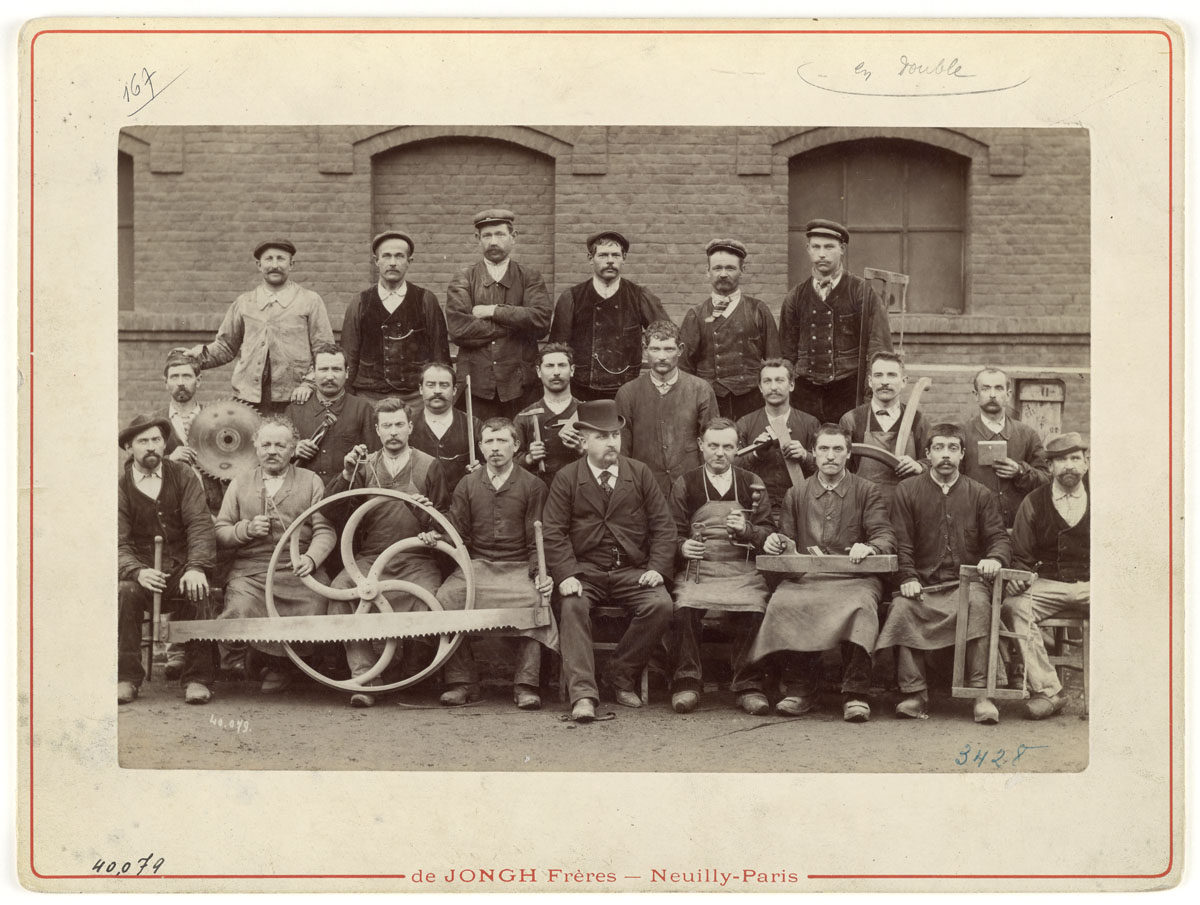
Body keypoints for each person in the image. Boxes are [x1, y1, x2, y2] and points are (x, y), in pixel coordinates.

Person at [541, 400, 677, 722]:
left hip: (632, 571)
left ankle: (619, 673)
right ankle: (584, 695)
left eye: (615, 435)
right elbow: (554, 533)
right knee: (572, 605)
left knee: (661, 605)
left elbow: (664, 527)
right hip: (585, 572)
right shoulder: (567, 478)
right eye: (602, 436)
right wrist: (566, 574)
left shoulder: (639, 474)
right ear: (584, 441)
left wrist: (657, 568)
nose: (612, 442)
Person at [751, 424, 896, 722]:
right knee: (785, 602)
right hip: (808, 578)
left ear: (848, 453)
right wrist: (779, 543)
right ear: (813, 454)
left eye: (838, 449)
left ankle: (855, 691)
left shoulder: (867, 491)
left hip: (854, 578)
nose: (830, 456)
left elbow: (884, 536)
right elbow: (787, 540)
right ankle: (802, 688)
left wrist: (869, 548)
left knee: (861, 606)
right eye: (824, 449)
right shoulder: (797, 493)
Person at [875, 423, 1012, 723]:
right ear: (927, 454)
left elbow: (999, 538)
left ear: (963, 454)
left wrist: (994, 558)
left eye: (952, 448)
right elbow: (902, 542)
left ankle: (980, 694)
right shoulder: (908, 491)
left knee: (979, 605)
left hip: (968, 583)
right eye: (939, 448)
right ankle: (915, 693)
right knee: (901, 607)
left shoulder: (981, 494)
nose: (945, 455)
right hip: (923, 584)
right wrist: (908, 577)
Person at [419, 419, 558, 709]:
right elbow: (457, 530)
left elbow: (538, 539)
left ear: (516, 446)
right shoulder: (468, 484)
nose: (495, 449)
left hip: (518, 567)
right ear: (480, 447)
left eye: (502, 441)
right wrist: (435, 530)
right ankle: (462, 682)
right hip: (477, 566)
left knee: (536, 599)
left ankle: (526, 684)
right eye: (489, 442)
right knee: (446, 598)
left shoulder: (533, 485)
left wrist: (539, 574)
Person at [323, 398, 450, 707]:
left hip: (416, 557)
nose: (393, 432)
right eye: (386, 426)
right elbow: (332, 511)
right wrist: (346, 472)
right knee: (339, 595)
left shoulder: (430, 465)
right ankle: (366, 678)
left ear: (410, 427)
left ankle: (406, 675)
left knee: (430, 602)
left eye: (399, 425)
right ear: (377, 431)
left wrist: (431, 523)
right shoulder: (364, 466)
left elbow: (446, 521)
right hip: (369, 558)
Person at [214, 416, 337, 694]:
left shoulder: (311, 481)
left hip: (297, 569)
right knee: (240, 610)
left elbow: (325, 531)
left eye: (280, 445)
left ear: (293, 449)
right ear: (256, 448)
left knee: (317, 605)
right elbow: (220, 531)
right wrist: (245, 530)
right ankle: (244, 661)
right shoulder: (239, 483)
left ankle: (282, 667)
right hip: (252, 571)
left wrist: (312, 559)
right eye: (266, 444)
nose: (272, 451)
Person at [667, 418, 774, 715]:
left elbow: (769, 532)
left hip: (741, 569)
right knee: (684, 604)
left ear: (738, 448)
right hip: (699, 570)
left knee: (755, 604)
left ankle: (748, 684)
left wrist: (749, 530)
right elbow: (670, 531)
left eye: (728, 446)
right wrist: (682, 546)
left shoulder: (751, 482)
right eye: (713, 445)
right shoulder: (685, 483)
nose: (719, 453)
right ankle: (687, 682)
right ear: (701, 446)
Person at [117, 415, 218, 705]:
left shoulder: (183, 475)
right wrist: (136, 571)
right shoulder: (121, 487)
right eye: (143, 441)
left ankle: (198, 678)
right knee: (125, 592)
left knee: (200, 589)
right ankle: (127, 678)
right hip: (141, 572)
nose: (151, 447)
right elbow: (118, 541)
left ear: (164, 443)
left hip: (180, 569)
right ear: (129, 448)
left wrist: (197, 566)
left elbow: (200, 524)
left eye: (156, 440)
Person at [187, 239, 333, 415]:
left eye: (281, 259)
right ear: (259, 265)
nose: (274, 265)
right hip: (249, 398)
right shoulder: (244, 302)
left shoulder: (310, 301)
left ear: (291, 264)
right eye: (268, 259)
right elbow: (225, 346)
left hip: (294, 397)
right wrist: (196, 357)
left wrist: (309, 384)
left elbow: (324, 350)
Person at [1002, 432, 1090, 720]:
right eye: (1060, 460)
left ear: (1086, 463)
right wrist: (1019, 576)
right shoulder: (1033, 501)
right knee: (1014, 607)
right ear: (1049, 467)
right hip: (1049, 585)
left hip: (1094, 586)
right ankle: (1050, 691)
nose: (1069, 466)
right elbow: (1022, 554)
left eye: (1075, 458)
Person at [778, 219, 893, 424]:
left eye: (829, 247)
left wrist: (869, 396)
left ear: (842, 249)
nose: (822, 254)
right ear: (808, 249)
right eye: (816, 247)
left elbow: (879, 349)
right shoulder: (795, 296)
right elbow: (786, 355)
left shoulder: (861, 292)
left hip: (848, 392)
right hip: (805, 395)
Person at [446, 209, 551, 420]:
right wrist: (516, 323)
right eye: (487, 235)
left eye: (500, 234)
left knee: (523, 444)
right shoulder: (463, 279)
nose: (494, 241)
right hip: (476, 386)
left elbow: (540, 321)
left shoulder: (530, 277)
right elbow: (459, 329)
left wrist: (493, 311)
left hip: (521, 386)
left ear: (513, 237)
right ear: (478, 239)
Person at [549, 230, 669, 401]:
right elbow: (557, 349)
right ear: (591, 259)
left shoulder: (639, 296)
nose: (610, 261)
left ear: (624, 258)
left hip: (627, 391)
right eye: (603, 255)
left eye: (616, 255)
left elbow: (666, 336)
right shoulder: (572, 297)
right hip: (581, 391)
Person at [341, 230, 450, 408]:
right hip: (369, 396)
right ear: (376, 261)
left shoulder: (426, 300)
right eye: (386, 256)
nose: (392, 263)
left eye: (399, 256)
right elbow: (348, 356)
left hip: (416, 398)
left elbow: (439, 355)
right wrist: (348, 400)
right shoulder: (360, 302)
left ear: (409, 262)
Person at [679, 238, 781, 422]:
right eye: (717, 268)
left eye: (730, 268)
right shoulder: (696, 314)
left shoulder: (758, 310)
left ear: (742, 271)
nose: (723, 274)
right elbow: (684, 368)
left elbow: (775, 362)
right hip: (710, 401)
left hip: (752, 401)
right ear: (707, 272)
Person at [614, 320, 719, 494]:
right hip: (645, 489)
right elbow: (622, 449)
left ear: (680, 349)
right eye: (655, 349)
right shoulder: (627, 393)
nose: (662, 356)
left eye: (669, 349)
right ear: (645, 349)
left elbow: (712, 442)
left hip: (691, 487)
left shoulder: (701, 390)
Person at [839, 351, 928, 514]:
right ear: (870, 381)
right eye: (878, 375)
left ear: (904, 381)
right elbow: (840, 470)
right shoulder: (852, 419)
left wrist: (920, 466)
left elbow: (932, 463)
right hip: (861, 509)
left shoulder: (918, 420)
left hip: (907, 509)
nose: (885, 382)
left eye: (892, 375)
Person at [960, 367, 1050, 527]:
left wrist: (1020, 471)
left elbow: (1046, 481)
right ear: (976, 395)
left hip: (1018, 526)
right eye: (985, 388)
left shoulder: (1027, 434)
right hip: (973, 527)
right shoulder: (961, 434)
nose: (992, 394)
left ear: (1008, 395)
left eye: (999, 388)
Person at [735, 359, 819, 525]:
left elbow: (827, 467)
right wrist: (755, 454)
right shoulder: (744, 423)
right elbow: (731, 469)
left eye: (780, 380)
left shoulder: (810, 423)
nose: (773, 387)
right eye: (767, 381)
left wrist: (805, 456)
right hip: (756, 510)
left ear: (792, 385)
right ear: (760, 387)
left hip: (799, 509)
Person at [286, 342, 379, 486]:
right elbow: (277, 453)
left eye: (336, 369)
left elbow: (375, 459)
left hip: (348, 495)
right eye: (323, 369)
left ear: (347, 372)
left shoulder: (362, 409)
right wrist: (294, 450)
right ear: (313, 372)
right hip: (304, 493)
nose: (330, 376)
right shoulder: (295, 410)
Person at [513, 343, 585, 486]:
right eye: (550, 366)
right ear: (539, 371)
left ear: (572, 370)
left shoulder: (588, 412)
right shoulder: (525, 417)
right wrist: (528, 458)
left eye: (562, 365)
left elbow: (607, 460)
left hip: (579, 491)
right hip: (538, 493)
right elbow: (507, 463)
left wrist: (582, 450)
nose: (556, 372)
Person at [406, 361, 481, 493]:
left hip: (461, 505)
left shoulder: (473, 425)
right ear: (420, 389)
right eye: (430, 385)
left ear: (454, 390)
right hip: (418, 505)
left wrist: (481, 470)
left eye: (444, 385)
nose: (437, 391)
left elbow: (490, 466)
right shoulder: (406, 426)